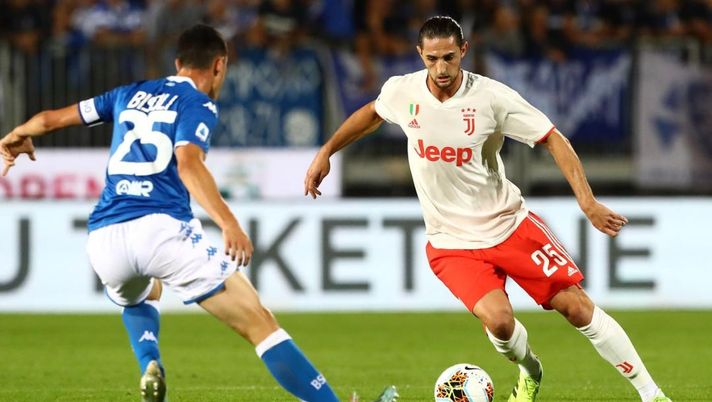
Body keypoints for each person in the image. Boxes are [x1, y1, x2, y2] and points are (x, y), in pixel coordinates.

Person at [0, 24, 398, 402]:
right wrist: (229, 223)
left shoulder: (127, 93)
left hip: (104, 238)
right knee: (259, 322)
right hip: (160, 230)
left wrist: (19, 134)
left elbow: (50, 119)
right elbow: (189, 164)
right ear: (219, 65)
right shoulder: (198, 103)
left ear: (178, 63)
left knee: (144, 292)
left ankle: (150, 362)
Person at [304, 16, 672, 402]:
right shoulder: (403, 91)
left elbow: (553, 138)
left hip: (508, 225)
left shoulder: (491, 98)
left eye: (449, 57)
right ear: (420, 54)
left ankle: (652, 395)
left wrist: (588, 202)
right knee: (499, 323)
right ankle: (530, 370)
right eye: (432, 59)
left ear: (464, 51)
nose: (441, 68)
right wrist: (327, 151)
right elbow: (372, 113)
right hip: (451, 242)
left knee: (577, 308)